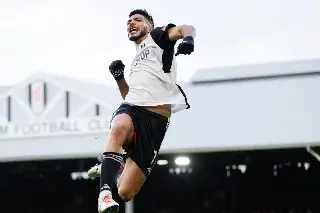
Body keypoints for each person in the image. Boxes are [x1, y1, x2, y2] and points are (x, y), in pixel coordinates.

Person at [91, 8, 196, 213]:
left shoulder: (157, 36)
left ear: (149, 24)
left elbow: (187, 28)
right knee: (119, 126)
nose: (131, 23)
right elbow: (129, 98)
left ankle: (114, 167)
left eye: (137, 20)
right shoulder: (137, 58)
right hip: (133, 108)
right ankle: (104, 194)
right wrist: (120, 78)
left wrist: (188, 40)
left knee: (125, 192)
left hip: (156, 121)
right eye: (128, 21)